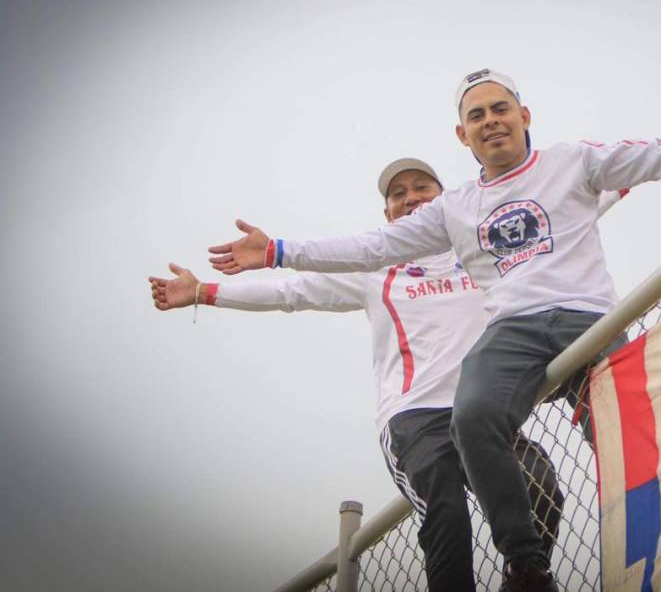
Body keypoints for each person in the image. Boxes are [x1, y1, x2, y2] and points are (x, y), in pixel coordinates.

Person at [204, 70, 661, 591]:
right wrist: (281, 249)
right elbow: (370, 246)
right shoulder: (454, 211)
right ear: (463, 134)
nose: (491, 120)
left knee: (631, 421)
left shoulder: (571, 162)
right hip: (514, 332)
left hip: (586, 319)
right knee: (472, 418)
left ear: (525, 115)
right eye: (477, 115)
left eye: (501, 109)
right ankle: (525, 564)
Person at [150, 159, 575, 592]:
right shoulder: (376, 273)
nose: (411, 197)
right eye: (398, 194)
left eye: (422, 188)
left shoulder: (479, 255)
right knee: (445, 509)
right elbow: (290, 293)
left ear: (443, 200)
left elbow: (548, 235)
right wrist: (205, 292)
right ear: (388, 216)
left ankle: (522, 577)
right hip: (415, 421)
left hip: (480, 411)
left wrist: (614, 184)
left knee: (538, 485)